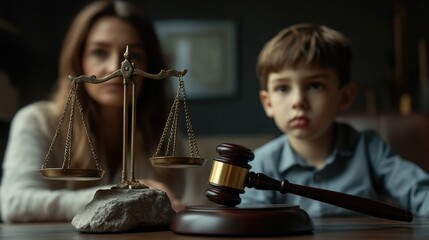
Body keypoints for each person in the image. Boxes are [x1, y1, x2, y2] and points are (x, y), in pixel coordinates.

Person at [1, 0, 186, 223]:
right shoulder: (36, 121)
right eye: (99, 52)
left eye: (134, 56)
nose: (117, 69)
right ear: (79, 62)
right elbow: (15, 203)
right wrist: (120, 195)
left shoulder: (164, 140)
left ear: (150, 66)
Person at [241, 23, 429, 217]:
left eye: (315, 86)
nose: (298, 102)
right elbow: (248, 223)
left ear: (345, 96)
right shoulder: (260, 165)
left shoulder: (370, 150)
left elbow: (420, 193)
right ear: (268, 103)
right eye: (283, 88)